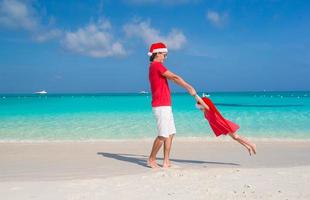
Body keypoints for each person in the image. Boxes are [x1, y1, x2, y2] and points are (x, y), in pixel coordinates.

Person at [147, 42, 197, 168]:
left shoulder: (156, 66)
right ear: (157, 53)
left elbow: (172, 78)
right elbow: (174, 77)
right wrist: (188, 87)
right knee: (163, 134)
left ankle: (166, 161)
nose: (165, 57)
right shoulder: (156, 65)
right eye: (165, 54)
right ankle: (151, 159)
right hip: (160, 106)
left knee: (171, 133)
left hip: (166, 105)